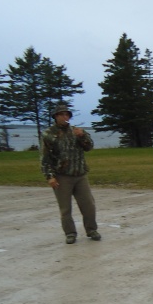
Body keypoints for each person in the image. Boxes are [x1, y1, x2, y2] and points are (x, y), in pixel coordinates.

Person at [40, 104, 101, 244]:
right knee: (65, 208)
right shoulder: (48, 134)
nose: (65, 117)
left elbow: (89, 147)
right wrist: (49, 176)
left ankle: (91, 230)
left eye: (67, 114)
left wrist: (83, 136)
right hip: (62, 175)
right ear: (56, 116)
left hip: (80, 174)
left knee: (88, 205)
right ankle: (70, 233)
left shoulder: (76, 131)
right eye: (61, 114)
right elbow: (45, 157)